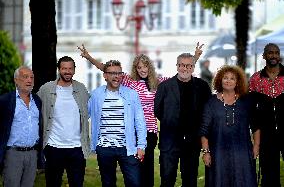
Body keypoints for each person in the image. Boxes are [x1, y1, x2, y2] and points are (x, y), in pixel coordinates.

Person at [77, 42, 204, 187]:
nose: (142, 70)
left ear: (149, 67)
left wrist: (195, 57)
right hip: (131, 129)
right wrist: (89, 57)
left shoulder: (158, 82)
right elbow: (106, 69)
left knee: (147, 165)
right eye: (139, 67)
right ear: (135, 69)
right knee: (133, 166)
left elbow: (182, 74)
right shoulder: (130, 82)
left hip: (149, 130)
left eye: (145, 67)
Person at [154, 53, 211, 187]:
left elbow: (207, 111)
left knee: (190, 180)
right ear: (177, 66)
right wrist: (171, 121)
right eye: (181, 65)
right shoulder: (165, 86)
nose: (185, 68)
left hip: (192, 141)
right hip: (170, 141)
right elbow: (158, 110)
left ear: (193, 67)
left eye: (188, 65)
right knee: (167, 180)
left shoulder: (202, 86)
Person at [88, 60, 147, 187]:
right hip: (104, 148)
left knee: (135, 183)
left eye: (119, 73)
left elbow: (140, 121)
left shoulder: (131, 94)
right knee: (108, 183)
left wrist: (141, 145)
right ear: (105, 75)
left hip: (128, 148)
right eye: (113, 73)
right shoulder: (95, 95)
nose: (117, 76)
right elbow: (84, 116)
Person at [200, 65, 260, 187]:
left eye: (232, 78)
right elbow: (204, 130)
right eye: (225, 78)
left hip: (242, 152)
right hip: (218, 153)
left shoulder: (247, 101)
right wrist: (206, 152)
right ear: (219, 80)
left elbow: (256, 126)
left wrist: (256, 146)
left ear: (238, 82)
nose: (228, 81)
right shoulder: (211, 102)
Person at [37, 56, 90, 187]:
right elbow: (35, 110)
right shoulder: (46, 89)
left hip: (77, 148)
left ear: (74, 70)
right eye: (64, 68)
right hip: (54, 147)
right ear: (59, 70)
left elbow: (88, 112)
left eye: (70, 68)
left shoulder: (81, 89)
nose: (67, 71)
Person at [0, 66, 43, 187]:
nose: (29, 80)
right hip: (13, 154)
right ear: (16, 80)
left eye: (31, 77)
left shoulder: (37, 100)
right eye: (25, 77)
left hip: (32, 154)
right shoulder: (5, 100)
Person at [249, 43, 284, 187]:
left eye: (276, 52)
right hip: (266, 135)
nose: (274, 55)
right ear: (264, 56)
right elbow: (252, 111)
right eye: (270, 53)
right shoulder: (255, 79)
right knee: (269, 174)